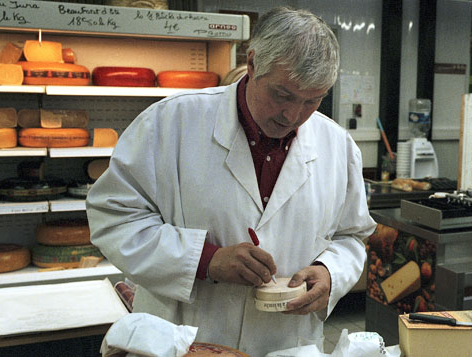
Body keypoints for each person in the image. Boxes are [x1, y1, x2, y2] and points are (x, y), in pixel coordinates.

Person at [86, 7, 375, 355]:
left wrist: (329, 271)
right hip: (185, 339)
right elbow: (113, 216)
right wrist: (204, 260)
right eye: (282, 95)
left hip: (285, 342)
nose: (293, 115)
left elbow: (351, 236)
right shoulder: (171, 122)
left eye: (312, 100)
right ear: (252, 64)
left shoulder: (337, 146)